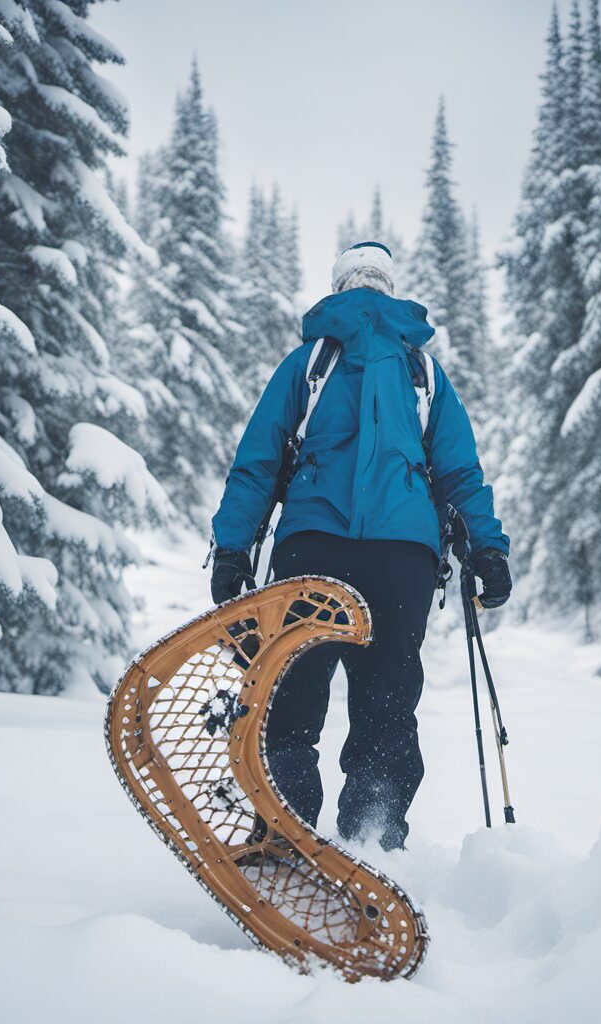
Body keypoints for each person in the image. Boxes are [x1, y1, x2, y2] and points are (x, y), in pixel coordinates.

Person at [209, 240, 510, 850]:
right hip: (401, 558)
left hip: (312, 549)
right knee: (387, 702)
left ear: (339, 286)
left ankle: (284, 833)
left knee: (291, 694)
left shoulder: (308, 363)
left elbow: (258, 463)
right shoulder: (424, 372)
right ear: (388, 289)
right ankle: (373, 840)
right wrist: (487, 547)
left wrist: (233, 548)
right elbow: (460, 472)